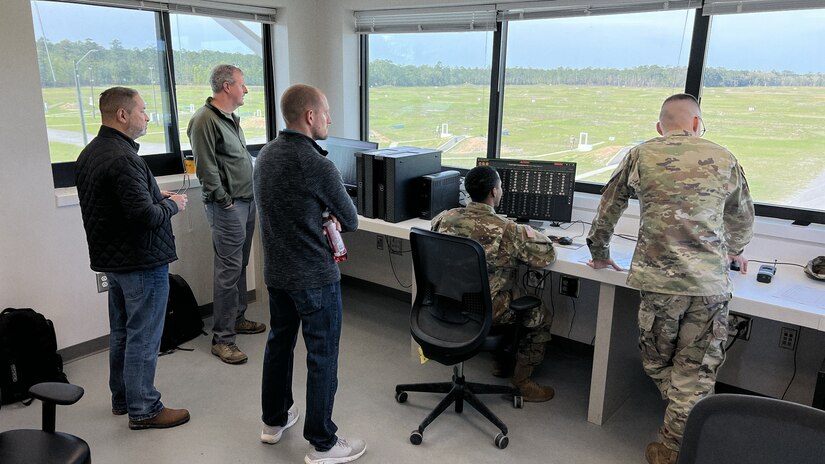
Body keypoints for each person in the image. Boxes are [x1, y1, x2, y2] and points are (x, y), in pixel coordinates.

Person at [586, 93, 754, 464]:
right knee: (694, 373)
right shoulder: (725, 158)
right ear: (696, 124)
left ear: (660, 128)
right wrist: (734, 251)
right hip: (710, 287)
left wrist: (599, 253)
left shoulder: (642, 154)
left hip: (660, 285)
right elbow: (742, 218)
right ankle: (687, 411)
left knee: (657, 363)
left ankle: (673, 446)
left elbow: (608, 206)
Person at [254, 84, 366, 464]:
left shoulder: (266, 155)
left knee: (279, 345)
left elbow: (284, 209)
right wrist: (328, 213)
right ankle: (323, 442)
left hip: (277, 273)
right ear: (310, 116)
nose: (331, 119)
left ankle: (274, 421)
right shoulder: (317, 163)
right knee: (322, 355)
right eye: (327, 112)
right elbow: (350, 219)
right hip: (314, 278)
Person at [75, 87, 190, 430]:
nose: (147, 116)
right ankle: (144, 409)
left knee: (123, 331)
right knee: (143, 335)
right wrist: (173, 204)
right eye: (142, 110)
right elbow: (143, 216)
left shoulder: (92, 152)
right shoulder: (124, 158)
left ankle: (123, 398)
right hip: (140, 261)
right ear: (122, 115)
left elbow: (119, 204)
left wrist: (156, 193)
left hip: (116, 261)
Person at [432, 165, 557, 402]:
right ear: (493, 192)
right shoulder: (508, 230)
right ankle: (522, 383)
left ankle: (502, 362)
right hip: (483, 308)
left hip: (445, 303)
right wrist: (529, 231)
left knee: (512, 291)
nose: (501, 191)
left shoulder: (445, 218)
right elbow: (546, 255)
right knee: (539, 313)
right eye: (500, 188)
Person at [187, 64, 265, 365]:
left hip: (247, 201)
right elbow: (205, 168)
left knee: (240, 265)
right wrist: (224, 201)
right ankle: (223, 339)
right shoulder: (204, 120)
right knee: (228, 271)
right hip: (229, 206)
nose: (246, 90)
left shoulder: (231, 118)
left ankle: (238, 319)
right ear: (227, 86)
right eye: (243, 85)